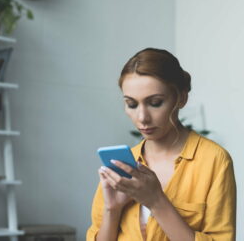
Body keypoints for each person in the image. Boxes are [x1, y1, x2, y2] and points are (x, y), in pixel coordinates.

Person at [87, 48, 236, 241]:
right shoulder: (123, 164)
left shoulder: (214, 160)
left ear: (181, 98)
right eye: (132, 104)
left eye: (155, 103)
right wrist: (112, 209)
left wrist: (156, 201)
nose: (142, 118)